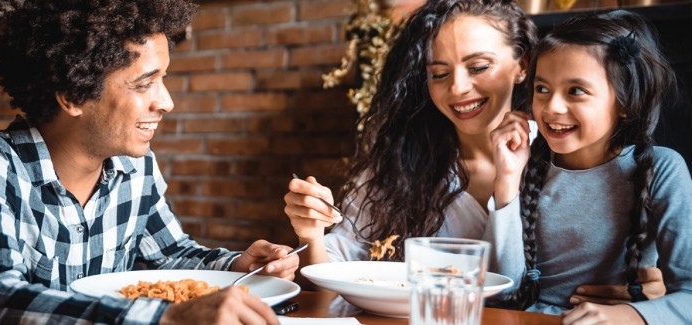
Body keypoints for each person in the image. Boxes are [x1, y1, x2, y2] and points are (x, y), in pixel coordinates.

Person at [284, 0, 663, 305]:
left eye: (479, 66)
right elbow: (332, 286)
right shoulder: (399, 166)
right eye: (438, 74)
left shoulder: (573, 152)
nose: (458, 89)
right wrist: (313, 234)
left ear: (522, 66)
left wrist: (649, 295)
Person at [0, 0, 295, 324]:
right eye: (145, 84)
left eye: (163, 79)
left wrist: (237, 266)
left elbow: (169, 255)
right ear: (73, 95)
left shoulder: (136, 168)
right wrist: (164, 319)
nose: (167, 102)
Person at [489, 10, 692, 324]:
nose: (552, 107)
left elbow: (688, 294)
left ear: (624, 102)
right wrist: (506, 182)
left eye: (576, 91)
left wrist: (628, 315)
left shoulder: (662, 170)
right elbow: (506, 293)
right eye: (542, 89)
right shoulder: (525, 166)